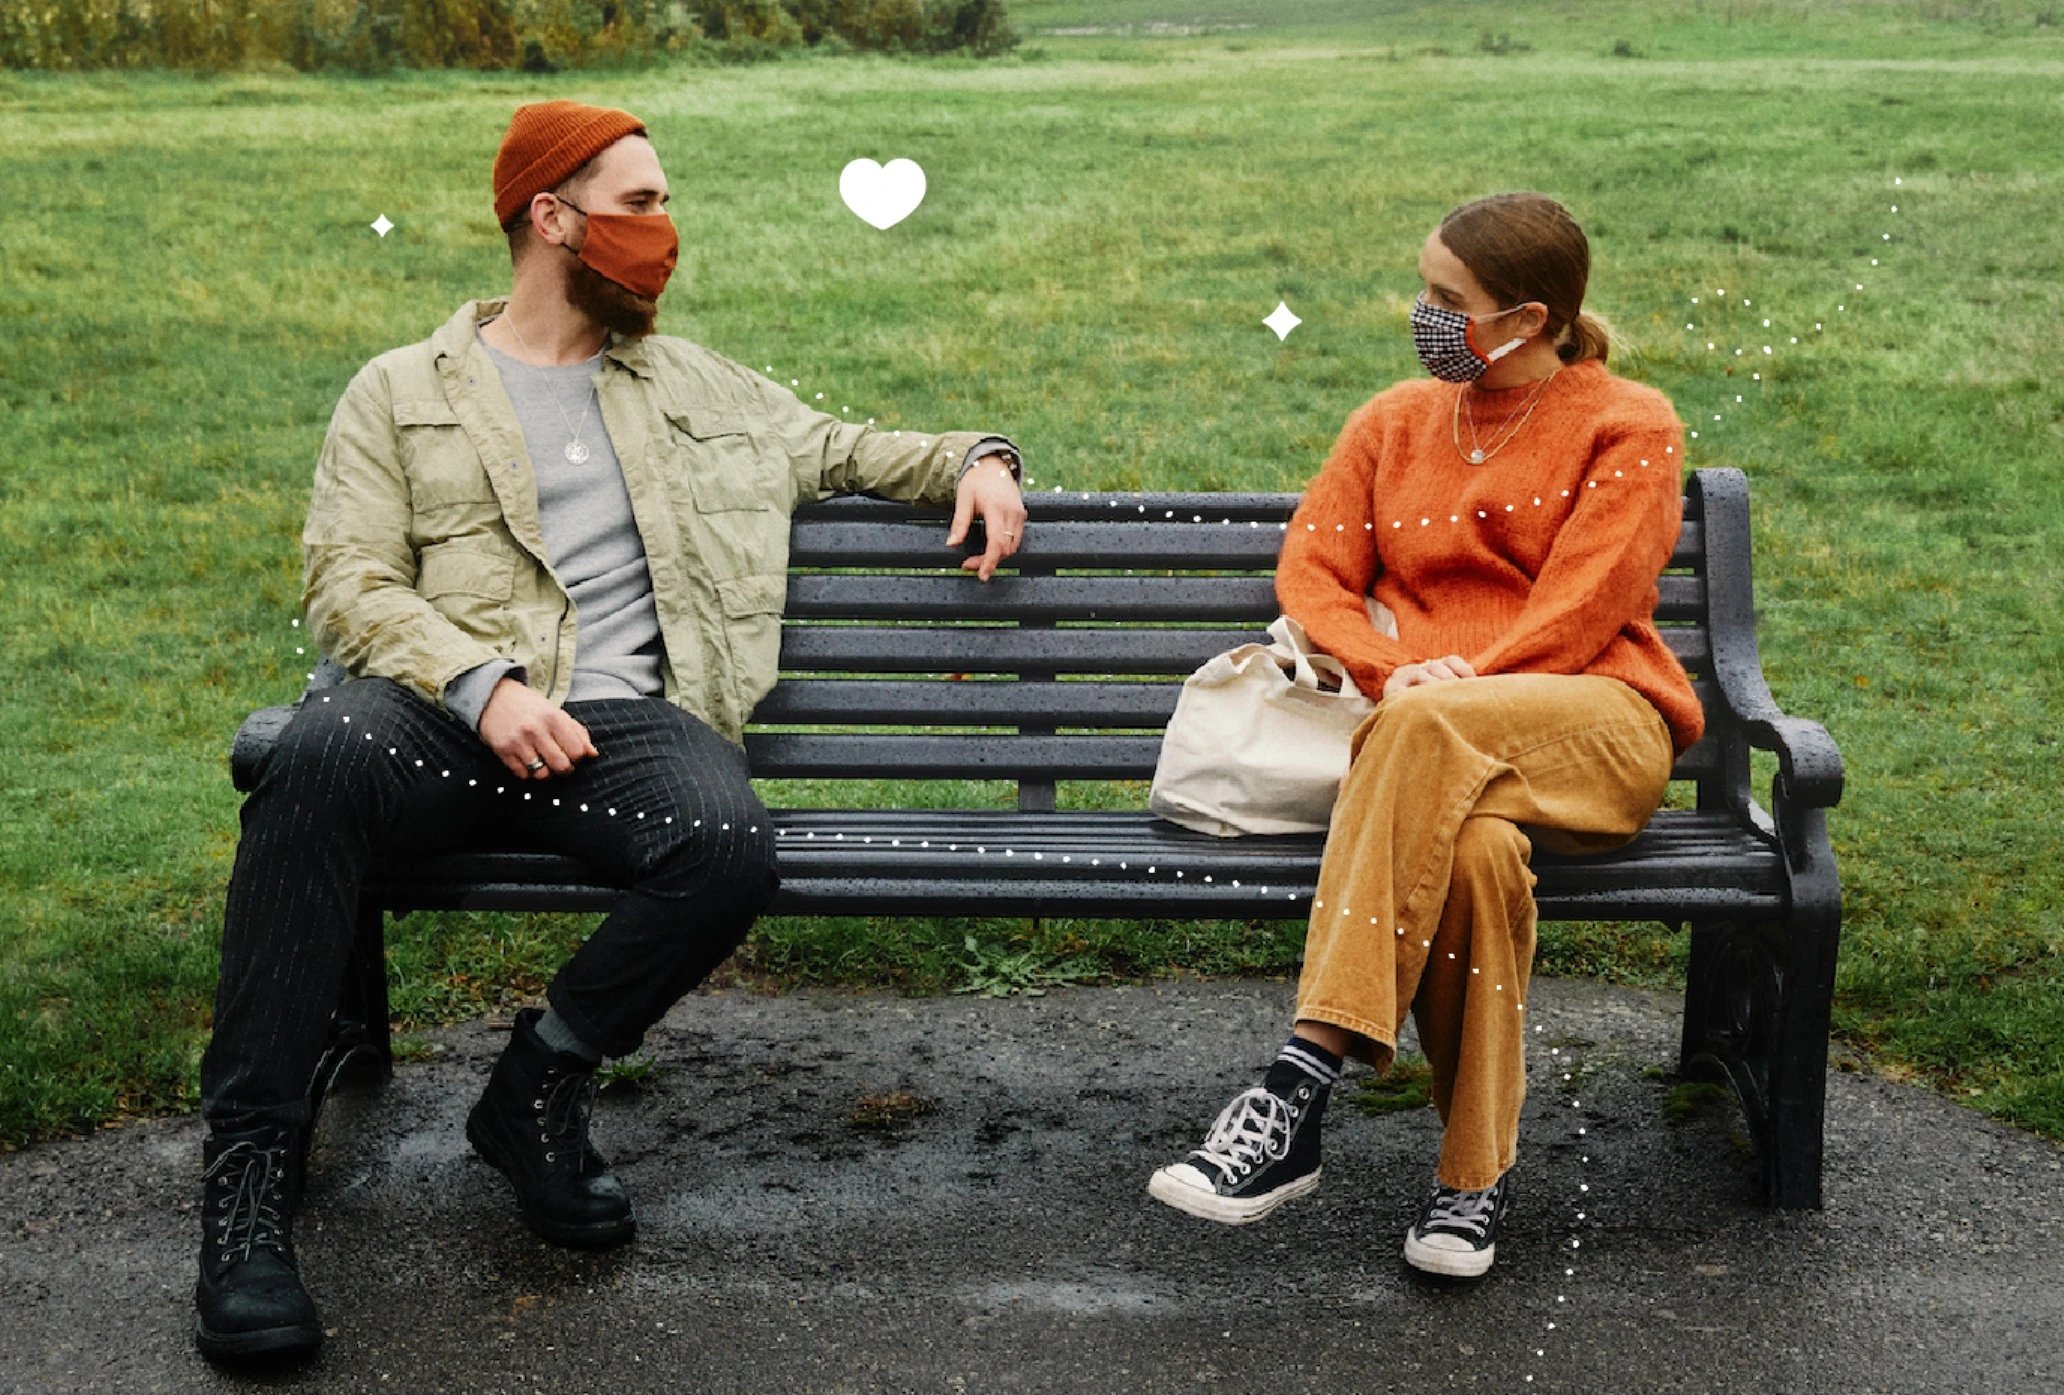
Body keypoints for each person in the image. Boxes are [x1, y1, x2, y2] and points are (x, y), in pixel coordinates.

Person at [193, 99, 1029, 1364]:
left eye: (665, 203)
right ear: (552, 217)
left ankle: (535, 1087)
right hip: (442, 714)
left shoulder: (692, 383)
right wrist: (481, 684)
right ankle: (250, 1180)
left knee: (727, 841)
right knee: (308, 758)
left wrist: (981, 456)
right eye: (639, 204)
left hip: (622, 727)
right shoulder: (400, 391)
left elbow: (850, 449)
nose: (664, 230)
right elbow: (348, 579)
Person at [1147, 192, 1702, 1280]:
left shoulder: (1630, 424)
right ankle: (1469, 1183)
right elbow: (1313, 574)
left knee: (1426, 726)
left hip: (1594, 726)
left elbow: (1585, 608)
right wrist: (1393, 668)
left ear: (1529, 318)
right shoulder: (1396, 420)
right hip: (1435, 749)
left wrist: (1451, 686)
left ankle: (1299, 1082)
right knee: (1477, 855)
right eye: (1424, 289)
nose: (1423, 313)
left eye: (1449, 298)